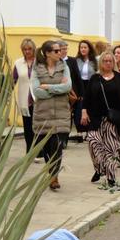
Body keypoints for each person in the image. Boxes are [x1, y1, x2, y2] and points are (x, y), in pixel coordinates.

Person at [82, 52, 120, 188]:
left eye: (110, 61)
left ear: (113, 62)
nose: (108, 63)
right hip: (96, 118)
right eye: (105, 61)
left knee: (111, 149)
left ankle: (111, 177)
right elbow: (86, 98)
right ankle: (99, 168)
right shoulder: (95, 78)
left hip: (112, 119)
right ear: (101, 63)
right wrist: (84, 112)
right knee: (93, 142)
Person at [31, 41, 72, 191]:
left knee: (58, 146)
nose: (59, 53)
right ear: (47, 53)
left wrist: (48, 87)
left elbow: (68, 87)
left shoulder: (64, 67)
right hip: (43, 113)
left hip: (61, 112)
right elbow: (36, 91)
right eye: (56, 51)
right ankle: (51, 173)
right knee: (47, 148)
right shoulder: (37, 68)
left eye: (60, 50)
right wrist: (58, 89)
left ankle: (54, 176)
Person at [12, 38, 38, 159]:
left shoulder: (39, 62)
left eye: (29, 49)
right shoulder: (18, 63)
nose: (27, 51)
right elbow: (13, 80)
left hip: (38, 98)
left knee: (37, 126)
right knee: (28, 127)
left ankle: (39, 152)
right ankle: (29, 152)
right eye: (25, 49)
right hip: (24, 99)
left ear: (34, 49)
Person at [73, 40, 98, 136]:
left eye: (85, 47)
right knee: (80, 108)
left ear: (89, 49)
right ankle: (81, 130)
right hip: (80, 85)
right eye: (81, 47)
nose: (83, 49)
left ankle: (90, 130)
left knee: (91, 107)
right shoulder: (76, 60)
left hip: (91, 85)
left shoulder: (94, 60)